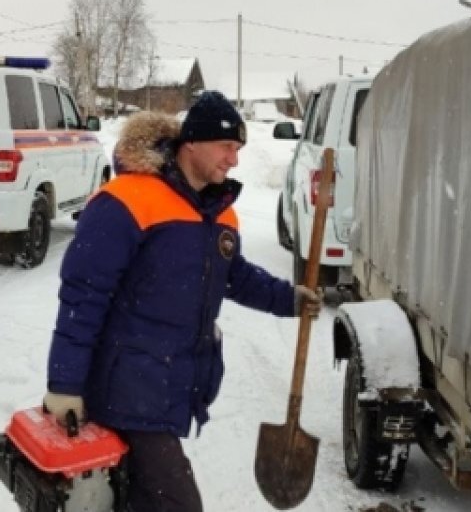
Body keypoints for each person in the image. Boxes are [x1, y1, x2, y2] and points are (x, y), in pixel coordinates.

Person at [44, 91, 321, 512]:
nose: (234, 160)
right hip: (125, 389)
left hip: (167, 386)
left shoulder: (218, 211)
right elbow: (83, 298)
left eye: (239, 149)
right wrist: (63, 385)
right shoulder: (125, 202)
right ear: (192, 142)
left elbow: (235, 274)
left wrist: (287, 298)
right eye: (227, 146)